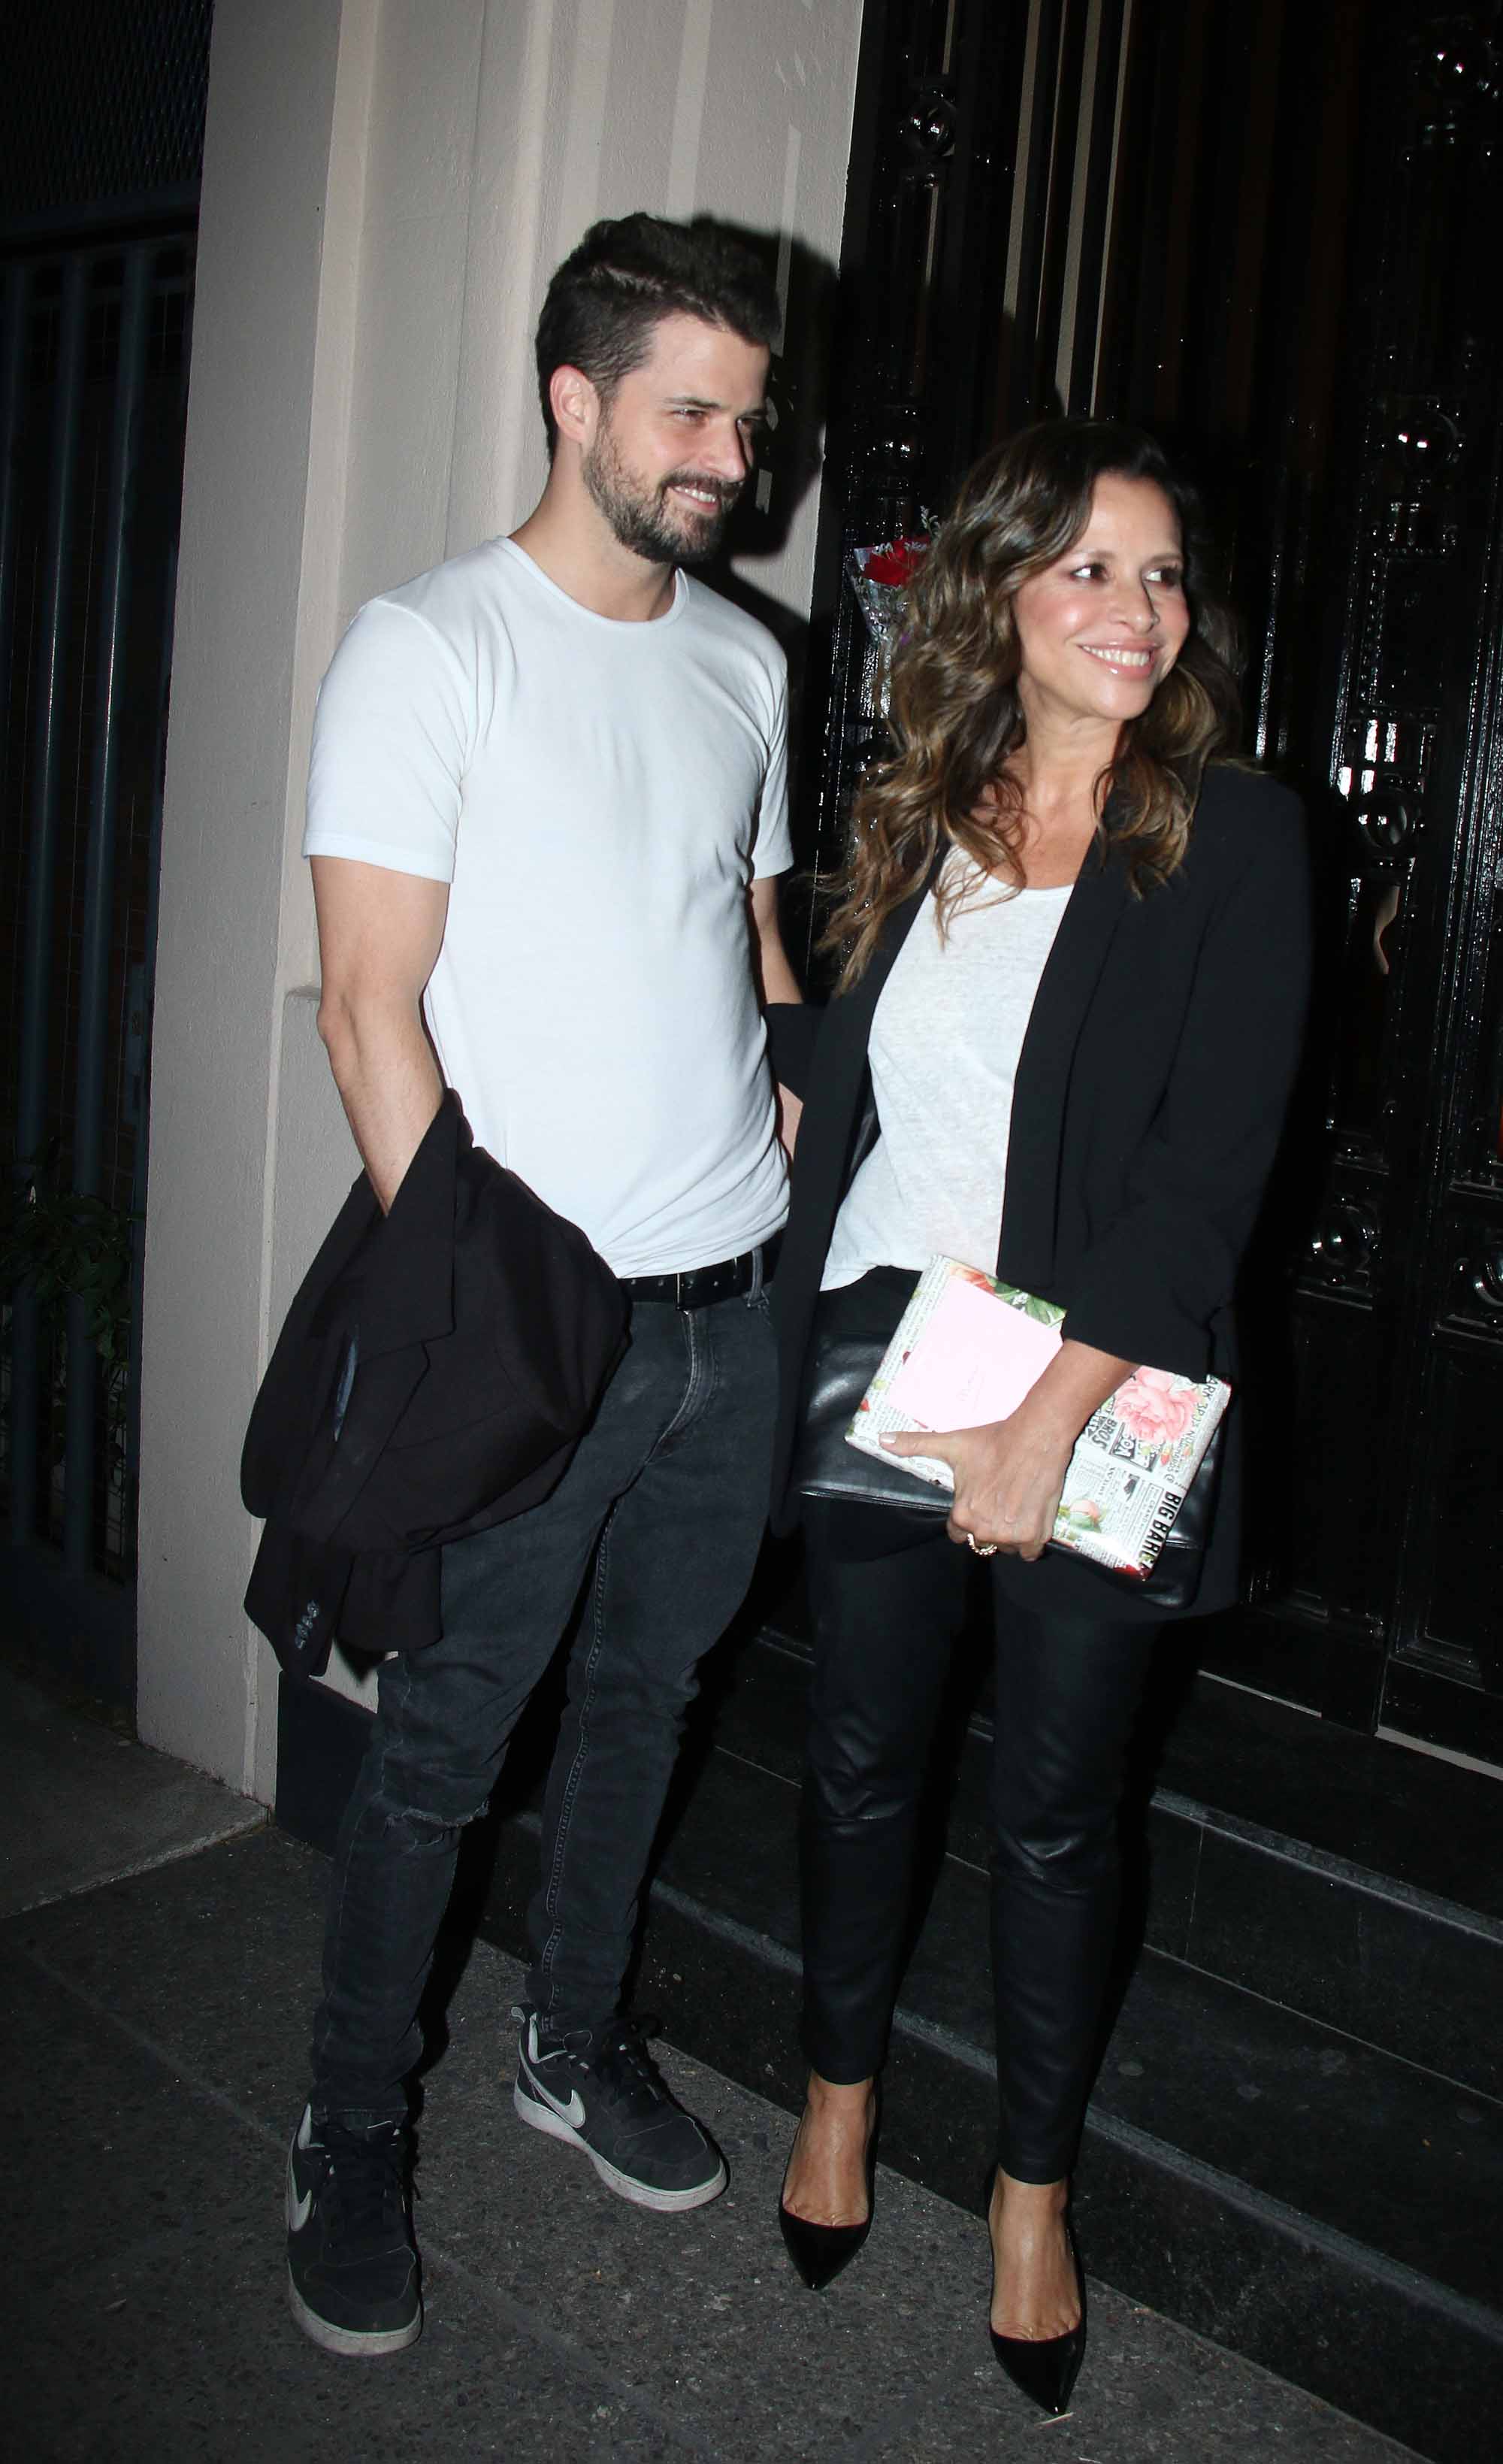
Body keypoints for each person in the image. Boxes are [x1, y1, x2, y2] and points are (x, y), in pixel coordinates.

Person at [285, 213, 803, 2358]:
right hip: (541, 1328)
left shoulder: (749, 660)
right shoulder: (434, 646)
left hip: (728, 1316)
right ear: (574, 400)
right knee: (440, 1751)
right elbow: (368, 1006)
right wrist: (478, 1315)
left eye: (750, 420)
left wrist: (781, 1098)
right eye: (690, 410)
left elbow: (752, 940)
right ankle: (347, 2127)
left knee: (649, 1707)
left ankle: (571, 2040)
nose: (729, 455)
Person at [766, 419, 1312, 2414]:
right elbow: (862, 1082)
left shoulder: (1229, 836)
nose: (1134, 610)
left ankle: (1028, 2194)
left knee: (1060, 1810)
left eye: (1161, 576)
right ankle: (837, 2096)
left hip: (1094, 1378)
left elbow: (1206, 1180)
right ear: (1004, 592)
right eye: (1090, 568)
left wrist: (1044, 1424)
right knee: (853, 1761)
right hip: (887, 1345)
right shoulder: (921, 809)